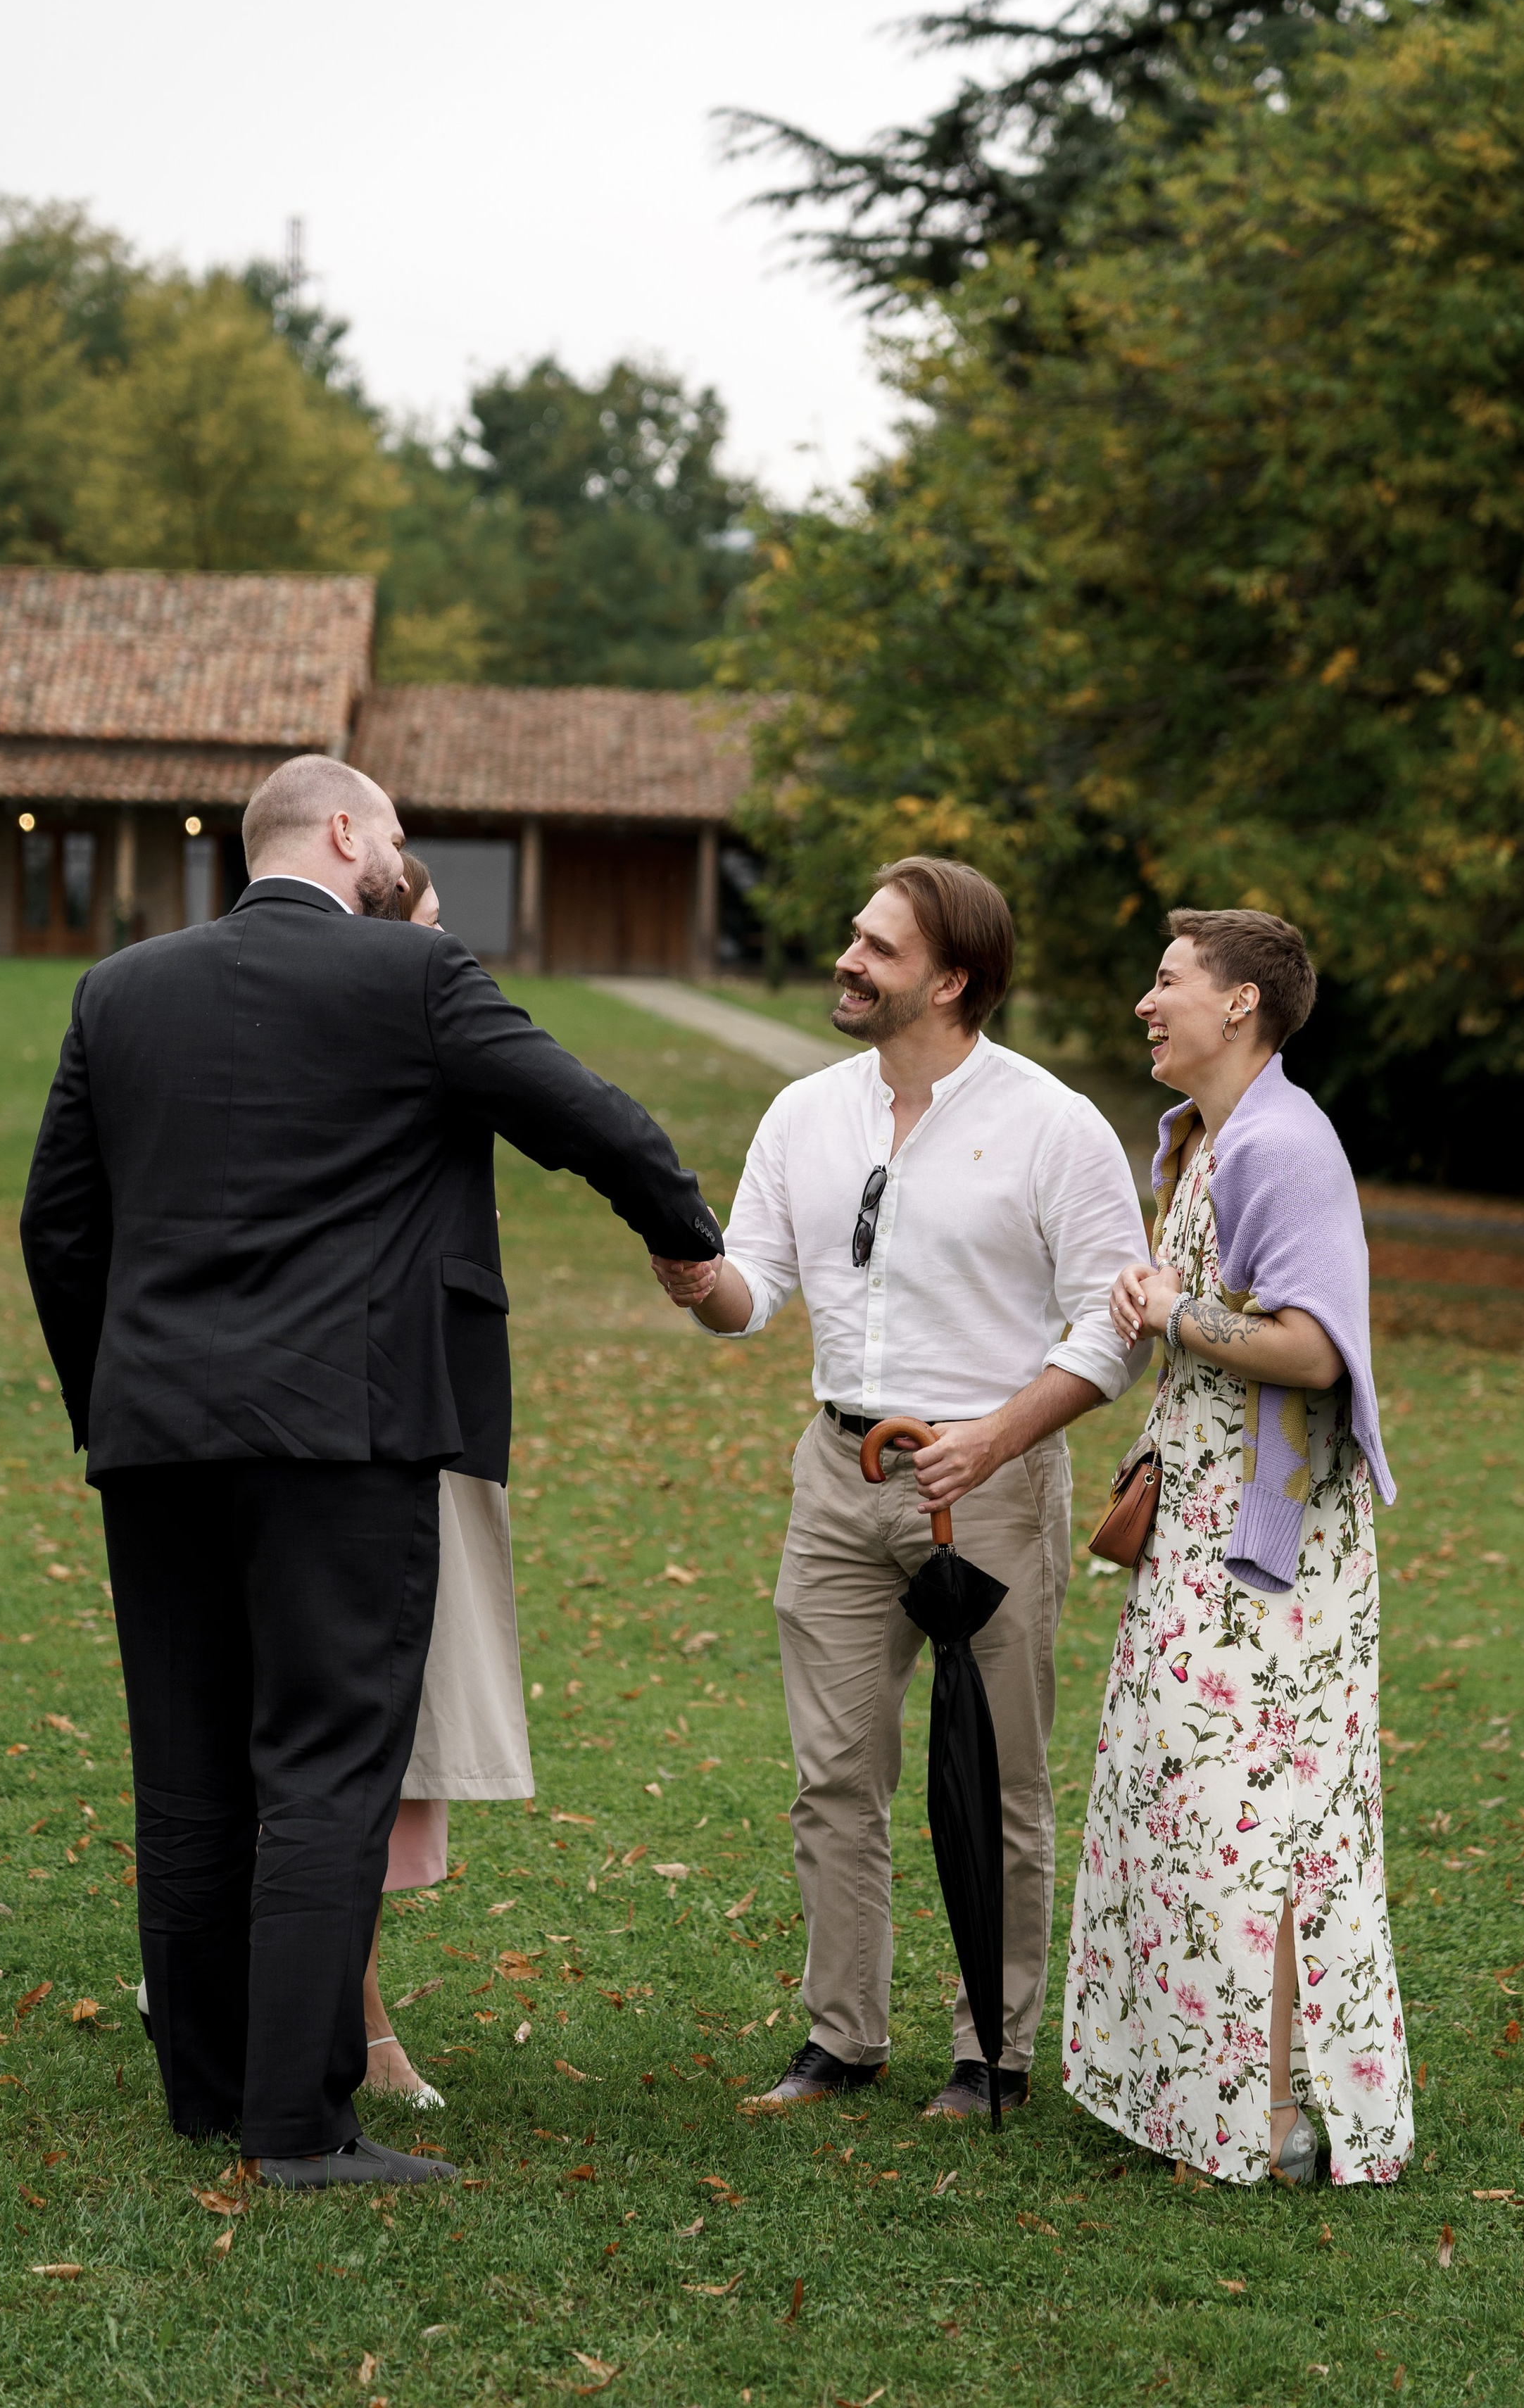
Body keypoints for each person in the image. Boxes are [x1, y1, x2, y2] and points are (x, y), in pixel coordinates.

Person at [21, 758, 722, 2190]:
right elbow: (591, 1118)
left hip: (156, 1443)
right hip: (341, 1437)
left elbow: (57, 1227)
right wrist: (686, 1241)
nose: (403, 859)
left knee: (191, 1771)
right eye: (394, 834)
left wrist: (121, 1400)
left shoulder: (121, 989)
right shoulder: (411, 978)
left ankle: (208, 2097)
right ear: (344, 834)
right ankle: (298, 2129)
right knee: (330, 1768)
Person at [653, 857, 1150, 2118]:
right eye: (854, 937)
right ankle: (843, 2039)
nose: (849, 960)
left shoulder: (1052, 1124)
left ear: (952, 980)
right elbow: (752, 1290)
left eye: (877, 947)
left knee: (999, 1778)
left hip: (986, 1484)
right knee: (836, 1773)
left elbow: (1113, 1328)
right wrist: (696, 1278)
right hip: (838, 1473)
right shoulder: (804, 1113)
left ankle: (994, 2052)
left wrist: (994, 1440)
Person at [1062, 909, 1411, 2188]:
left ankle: (1266, 2120)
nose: (1146, 1004)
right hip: (1204, 1532)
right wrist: (1166, 1312)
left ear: (1243, 1006)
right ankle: (1195, 2098)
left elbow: (1316, 1351)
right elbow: (1215, 1320)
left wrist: (1178, 1312)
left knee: (1251, 1827)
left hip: (1272, 1561)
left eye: (1168, 984)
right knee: (1180, 1811)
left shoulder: (1285, 1144)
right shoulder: (1207, 1140)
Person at [360, 852, 536, 2110]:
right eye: (431, 923)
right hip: (390, 1405)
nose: (449, 940)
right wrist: (687, 1231)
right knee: (362, 1724)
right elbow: (567, 1104)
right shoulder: (422, 989)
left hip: (302, 1397)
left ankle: (230, 1970)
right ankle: (352, 2023)